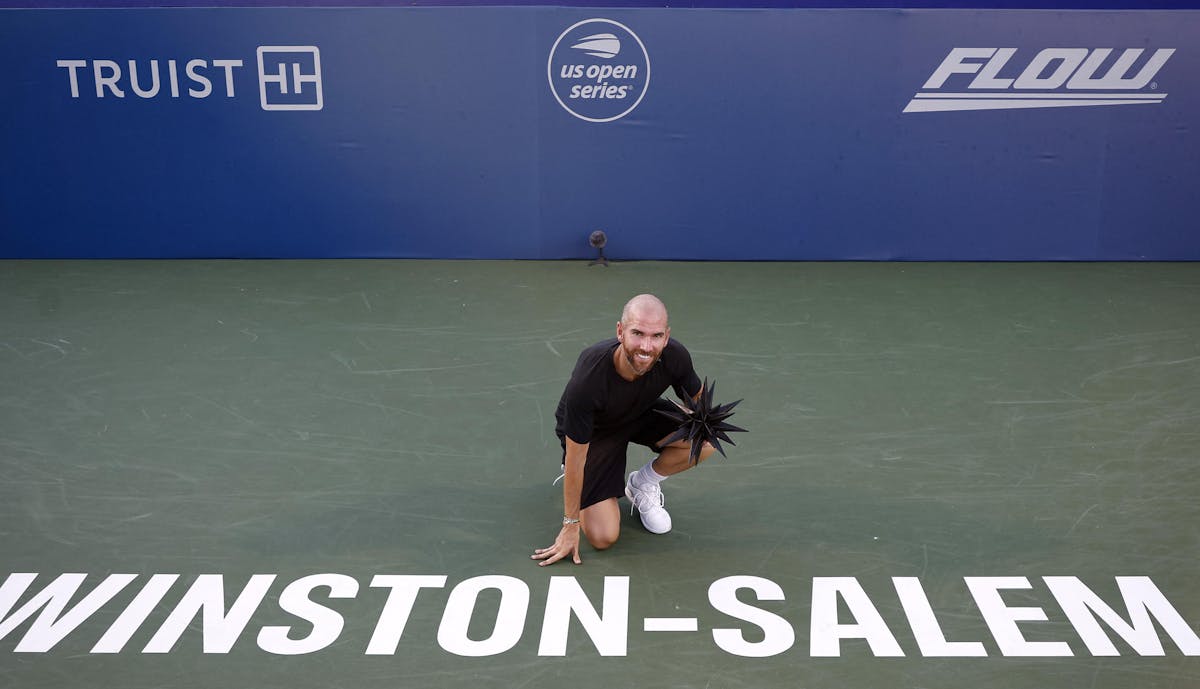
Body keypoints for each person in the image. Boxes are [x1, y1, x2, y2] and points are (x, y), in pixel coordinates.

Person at [532, 294, 717, 566]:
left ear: (666, 337)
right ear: (620, 331)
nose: (646, 346)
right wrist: (570, 524)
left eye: (655, 336)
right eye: (637, 333)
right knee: (603, 537)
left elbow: (701, 404)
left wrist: (696, 422)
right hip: (596, 434)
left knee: (706, 438)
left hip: (639, 412)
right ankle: (586, 490)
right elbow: (576, 457)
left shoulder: (674, 356)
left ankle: (643, 483)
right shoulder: (589, 381)